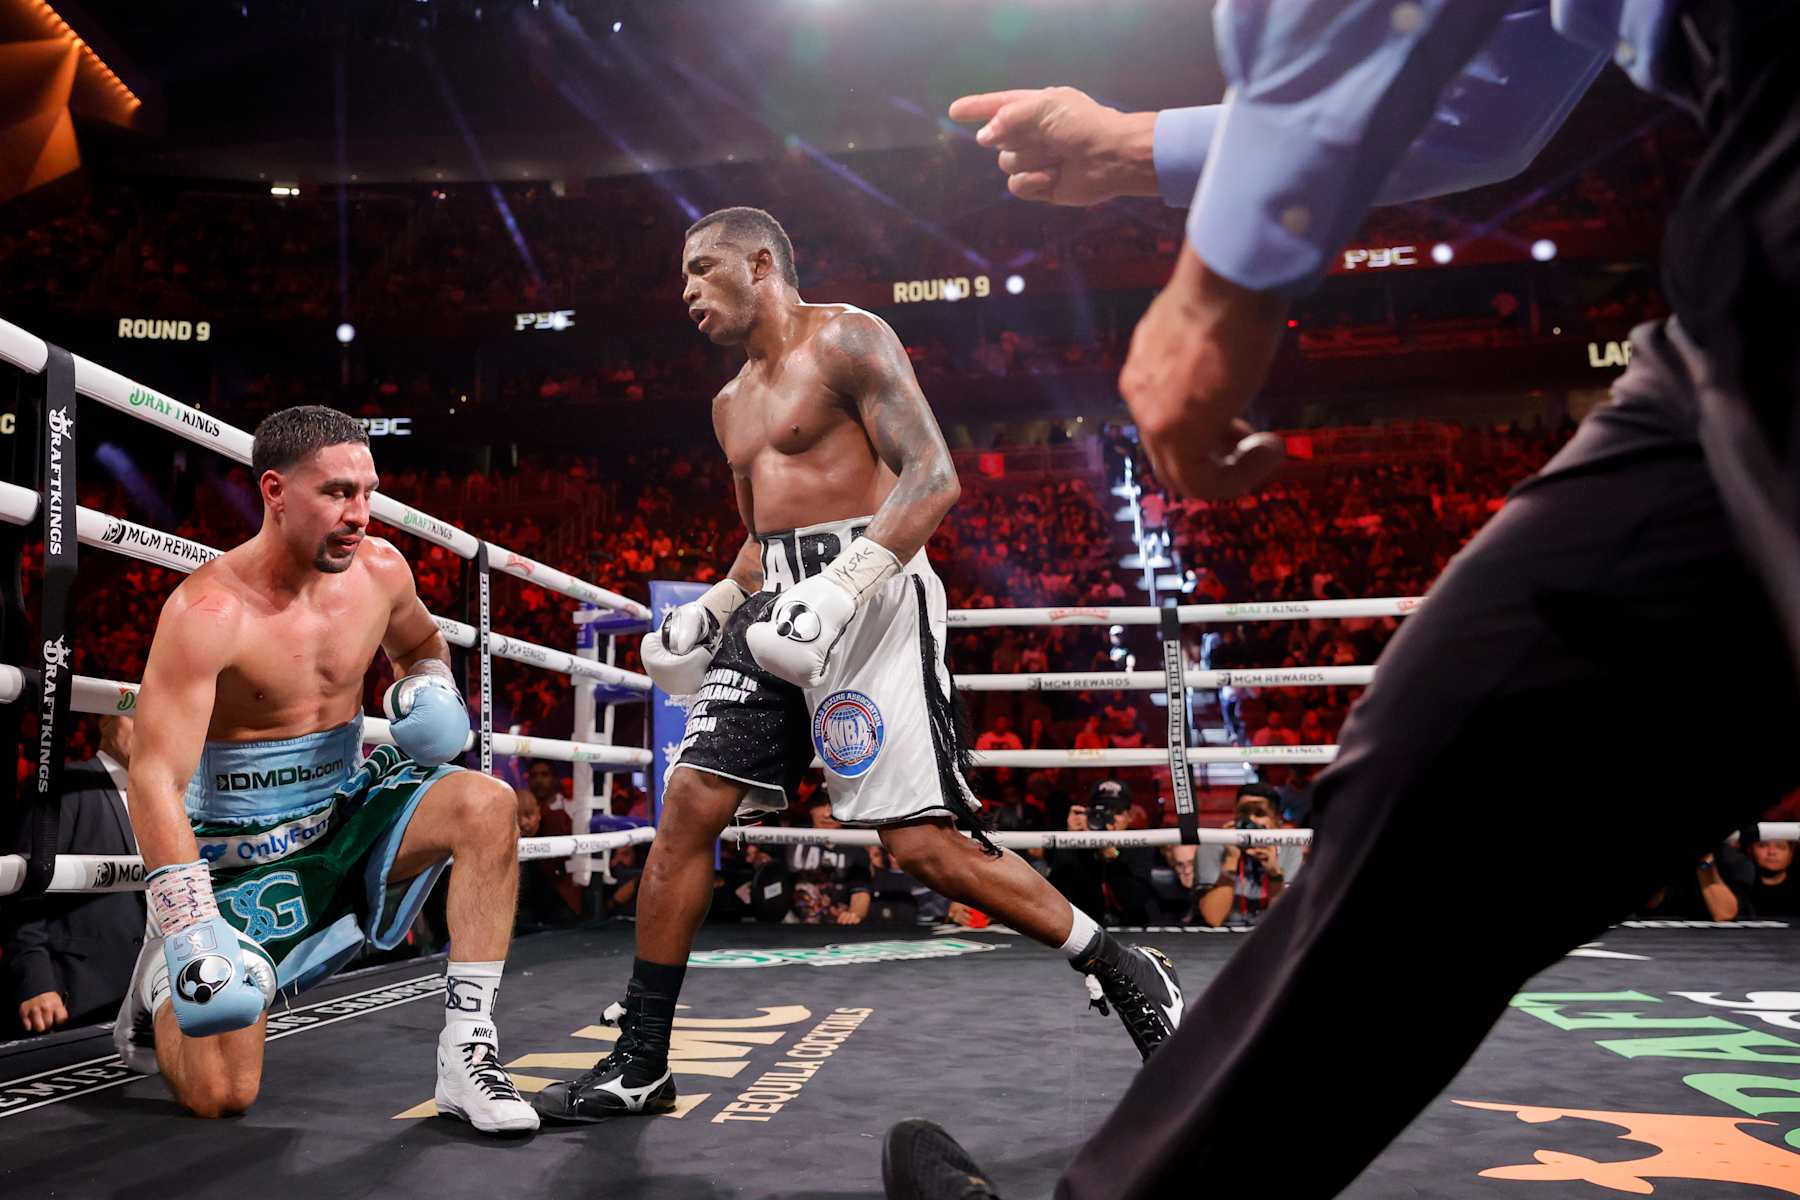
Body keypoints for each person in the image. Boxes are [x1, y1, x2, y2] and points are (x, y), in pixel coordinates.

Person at [882, 4, 1800, 1197]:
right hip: (1749, 272)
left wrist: (1225, 277)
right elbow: (1498, 101)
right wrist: (1141, 148)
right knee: (1458, 743)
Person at [534, 207, 1183, 1124]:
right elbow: (761, 542)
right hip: (774, 613)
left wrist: (843, 587)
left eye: (701, 268)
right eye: (679, 274)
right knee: (686, 810)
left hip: (871, 602)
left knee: (921, 848)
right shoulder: (727, 406)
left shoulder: (850, 339)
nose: (685, 289)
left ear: (761, 263)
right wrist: (716, 607)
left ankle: (1118, 963)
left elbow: (932, 475)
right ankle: (642, 1061)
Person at [113, 405, 536, 1133]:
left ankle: (468, 1056)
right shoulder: (208, 612)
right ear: (274, 491)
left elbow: (422, 646)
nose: (361, 514)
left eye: (368, 492)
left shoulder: (379, 572)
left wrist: (428, 685)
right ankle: (160, 983)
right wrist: (188, 927)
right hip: (236, 855)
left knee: (487, 805)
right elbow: (152, 776)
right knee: (222, 1094)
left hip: (344, 809)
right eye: (338, 493)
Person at [4, 716, 144, 1037]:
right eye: (136, 716)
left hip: (149, 995)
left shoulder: (167, 795)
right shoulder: (67, 783)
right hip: (76, 995)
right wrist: (36, 980)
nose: (149, 726)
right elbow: (25, 889)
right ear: (107, 721)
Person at [1196, 785, 1301, 930]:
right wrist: (1231, 860)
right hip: (1222, 937)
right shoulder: (1212, 846)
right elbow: (1214, 918)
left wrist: (1275, 875)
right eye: (1244, 812)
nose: (1251, 820)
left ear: (1277, 820)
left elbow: (1285, 920)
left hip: (1270, 935)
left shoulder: (1290, 849)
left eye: (1259, 813)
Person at [1747, 839, 1799, 917]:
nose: (1772, 852)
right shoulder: (1737, 889)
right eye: (1763, 845)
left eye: (1780, 847)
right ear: (1750, 850)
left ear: (1791, 854)